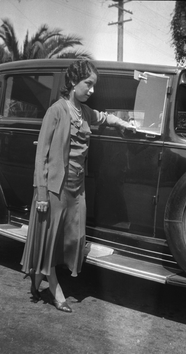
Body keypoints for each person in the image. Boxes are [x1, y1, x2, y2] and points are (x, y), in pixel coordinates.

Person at [21, 59, 135, 313]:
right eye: (89, 84)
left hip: (76, 190)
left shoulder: (84, 112)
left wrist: (125, 124)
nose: (92, 90)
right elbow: (41, 155)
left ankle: (37, 275)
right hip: (54, 190)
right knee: (50, 241)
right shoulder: (57, 111)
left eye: (94, 85)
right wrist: (41, 194)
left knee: (73, 239)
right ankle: (55, 290)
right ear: (73, 82)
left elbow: (104, 117)